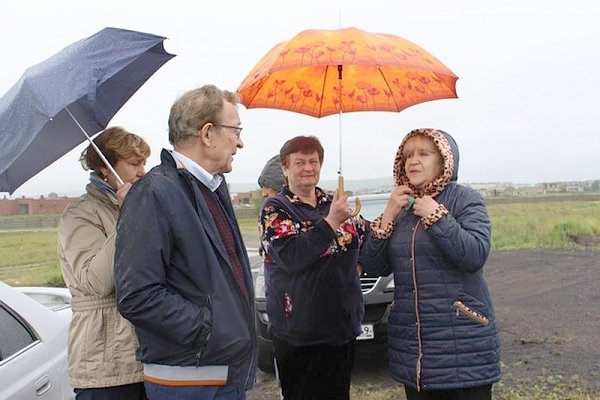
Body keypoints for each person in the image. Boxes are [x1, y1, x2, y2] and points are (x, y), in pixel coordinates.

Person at [113, 84, 257, 400]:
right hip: (187, 383)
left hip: (221, 373)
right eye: (235, 130)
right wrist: (210, 328)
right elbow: (138, 294)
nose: (240, 142)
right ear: (207, 134)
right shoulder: (153, 194)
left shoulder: (212, 188)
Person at [360, 128, 501, 400]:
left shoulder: (465, 200)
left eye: (424, 153)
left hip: (462, 340)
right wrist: (388, 216)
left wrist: (436, 217)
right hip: (414, 348)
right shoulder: (400, 207)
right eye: (408, 155)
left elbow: (474, 255)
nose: (413, 160)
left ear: (444, 161)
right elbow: (374, 266)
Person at [259, 135, 367, 400]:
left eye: (314, 161)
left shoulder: (334, 203)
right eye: (299, 162)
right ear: (285, 168)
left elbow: (366, 238)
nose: (308, 168)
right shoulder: (275, 209)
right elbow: (292, 256)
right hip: (300, 333)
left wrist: (359, 264)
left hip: (341, 327)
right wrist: (330, 223)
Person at [57, 126, 150, 400]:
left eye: (144, 162)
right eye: (134, 163)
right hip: (105, 364)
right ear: (105, 168)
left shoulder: (136, 206)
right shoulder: (80, 214)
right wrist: (127, 217)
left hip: (146, 356)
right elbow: (97, 281)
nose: (142, 171)